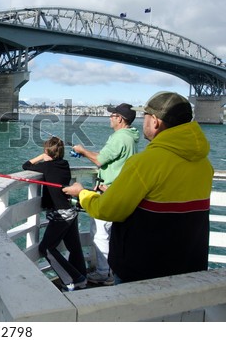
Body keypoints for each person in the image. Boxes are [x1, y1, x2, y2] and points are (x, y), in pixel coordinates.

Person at [63, 92, 213, 284]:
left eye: (146, 116)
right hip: (190, 270)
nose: (143, 121)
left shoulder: (145, 163)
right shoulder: (203, 163)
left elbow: (106, 209)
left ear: (155, 122)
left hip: (144, 271)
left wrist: (81, 193)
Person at [71, 103, 140, 285]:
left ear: (120, 118)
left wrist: (82, 151)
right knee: (112, 234)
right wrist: (88, 154)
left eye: (112, 115)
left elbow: (100, 160)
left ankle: (104, 273)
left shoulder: (119, 137)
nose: (109, 117)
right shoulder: (130, 137)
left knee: (100, 234)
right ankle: (112, 271)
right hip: (120, 189)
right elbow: (108, 157)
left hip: (110, 191)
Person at [23, 136, 87, 291]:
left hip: (61, 214)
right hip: (71, 211)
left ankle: (72, 279)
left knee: (46, 248)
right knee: (74, 246)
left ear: (47, 152)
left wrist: (40, 157)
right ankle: (82, 277)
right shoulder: (65, 164)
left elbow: (26, 165)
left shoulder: (47, 167)